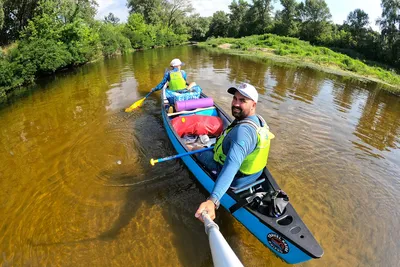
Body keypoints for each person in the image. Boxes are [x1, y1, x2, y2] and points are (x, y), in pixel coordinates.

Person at [194, 83, 271, 222]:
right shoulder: (259, 121)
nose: (235, 104)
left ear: (253, 105)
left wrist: (213, 200)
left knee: (196, 150)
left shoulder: (243, 132)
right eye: (235, 98)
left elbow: (231, 165)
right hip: (254, 176)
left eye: (242, 101)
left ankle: (196, 152)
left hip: (236, 179)